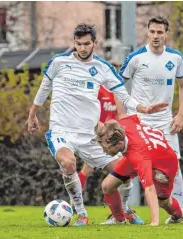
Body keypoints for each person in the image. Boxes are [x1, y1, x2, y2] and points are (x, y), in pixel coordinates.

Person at [26, 23, 167, 226]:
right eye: (78, 44)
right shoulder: (58, 62)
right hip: (62, 130)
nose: (82, 48)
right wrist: (32, 115)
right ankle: (82, 214)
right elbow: (44, 87)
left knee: (125, 172)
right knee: (68, 164)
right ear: (74, 43)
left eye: (86, 44)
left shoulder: (102, 68)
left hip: (91, 134)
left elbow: (124, 97)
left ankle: (125, 211)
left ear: (95, 43)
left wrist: (144, 108)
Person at [118, 16, 183, 216]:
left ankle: (179, 212)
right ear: (147, 33)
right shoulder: (136, 57)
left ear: (166, 34)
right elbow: (117, 85)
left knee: (173, 165)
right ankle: (123, 211)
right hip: (139, 122)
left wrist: (180, 115)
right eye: (152, 32)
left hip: (165, 122)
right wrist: (123, 114)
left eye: (160, 32)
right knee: (126, 168)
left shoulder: (175, 58)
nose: (155, 36)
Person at [97, 114, 183, 225]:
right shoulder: (123, 124)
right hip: (145, 152)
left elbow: (150, 189)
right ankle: (119, 220)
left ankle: (178, 215)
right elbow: (137, 117)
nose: (104, 150)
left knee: (163, 201)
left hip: (165, 164)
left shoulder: (139, 156)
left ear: (120, 143)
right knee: (107, 186)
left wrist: (154, 222)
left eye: (107, 147)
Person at [75, 86, 139, 223]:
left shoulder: (118, 92)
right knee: (87, 170)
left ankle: (125, 211)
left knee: (123, 173)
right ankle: (76, 207)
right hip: (98, 139)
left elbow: (122, 114)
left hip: (114, 141)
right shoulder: (97, 90)